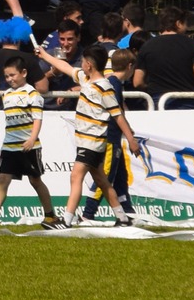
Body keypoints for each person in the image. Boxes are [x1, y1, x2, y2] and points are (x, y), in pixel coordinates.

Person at [34, 40, 143, 226]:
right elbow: (65, 66)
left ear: (89, 64)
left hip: (92, 141)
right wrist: (44, 55)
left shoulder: (104, 86)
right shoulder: (86, 79)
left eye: (83, 61)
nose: (80, 65)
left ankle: (66, 220)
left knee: (75, 176)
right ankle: (122, 217)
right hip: (87, 141)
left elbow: (118, 116)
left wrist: (131, 139)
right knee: (101, 180)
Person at [0, 55, 60, 228]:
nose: (9, 79)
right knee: (3, 179)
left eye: (12, 75)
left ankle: (50, 215)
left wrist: (32, 139)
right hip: (9, 145)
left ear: (24, 73)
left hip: (29, 146)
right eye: (6, 76)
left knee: (35, 180)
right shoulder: (6, 95)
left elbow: (37, 119)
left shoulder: (32, 94)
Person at [134, 9, 194, 107]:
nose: (187, 27)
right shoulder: (192, 45)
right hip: (186, 101)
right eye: (185, 23)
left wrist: (152, 86)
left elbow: (137, 82)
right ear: (178, 23)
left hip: (157, 102)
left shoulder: (147, 46)